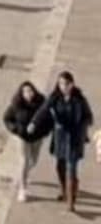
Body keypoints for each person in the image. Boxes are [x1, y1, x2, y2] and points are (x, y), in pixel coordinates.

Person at [40, 71, 92, 210]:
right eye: (60, 83)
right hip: (60, 139)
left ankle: (71, 202)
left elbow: (88, 117)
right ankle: (65, 190)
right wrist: (34, 123)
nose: (63, 86)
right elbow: (44, 110)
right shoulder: (55, 97)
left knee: (71, 169)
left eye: (65, 84)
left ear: (71, 84)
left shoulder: (79, 99)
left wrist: (81, 128)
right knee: (60, 167)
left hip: (74, 140)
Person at [6, 80, 48, 203]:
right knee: (24, 159)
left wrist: (44, 131)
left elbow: (48, 118)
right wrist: (15, 129)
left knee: (34, 160)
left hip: (37, 137)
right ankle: (22, 188)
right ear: (22, 93)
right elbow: (7, 118)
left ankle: (22, 174)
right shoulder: (16, 104)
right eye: (26, 91)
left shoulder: (41, 102)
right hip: (23, 137)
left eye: (31, 91)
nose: (29, 94)